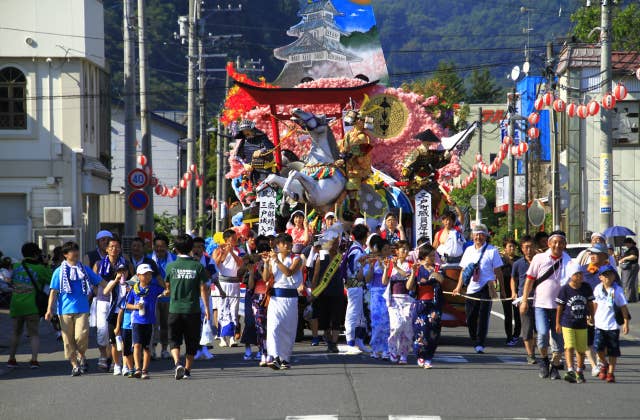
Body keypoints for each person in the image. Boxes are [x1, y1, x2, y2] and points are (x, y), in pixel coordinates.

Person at [45, 241, 110, 376]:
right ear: (65, 255)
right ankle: (75, 365)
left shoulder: (84, 269)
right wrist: (49, 309)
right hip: (64, 310)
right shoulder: (59, 271)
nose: (75, 253)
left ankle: (81, 355)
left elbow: (100, 281)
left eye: (76, 250)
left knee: (81, 336)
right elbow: (53, 291)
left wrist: (115, 288)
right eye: (71, 251)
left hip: (82, 308)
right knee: (68, 340)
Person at [520, 231, 572, 380]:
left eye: (561, 242)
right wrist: (524, 300)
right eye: (554, 242)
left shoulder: (569, 261)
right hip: (541, 305)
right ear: (549, 244)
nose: (557, 245)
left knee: (558, 340)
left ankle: (554, 367)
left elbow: (574, 282)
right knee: (542, 334)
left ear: (565, 245)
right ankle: (543, 361)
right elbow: (529, 280)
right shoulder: (539, 258)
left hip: (560, 307)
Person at [165, 234, 211, 380]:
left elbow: (168, 287)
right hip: (193, 309)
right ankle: (187, 370)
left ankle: (177, 363)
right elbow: (204, 288)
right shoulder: (198, 266)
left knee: (174, 339)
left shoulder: (171, 266)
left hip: (175, 308)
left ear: (176, 249)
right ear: (191, 248)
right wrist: (207, 309)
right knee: (192, 341)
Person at [453, 224, 502, 354]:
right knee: (470, 318)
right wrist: (458, 287)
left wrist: (502, 289)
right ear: (472, 236)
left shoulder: (492, 251)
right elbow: (463, 270)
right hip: (471, 289)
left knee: (483, 316)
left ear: (486, 236)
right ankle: (474, 337)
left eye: (481, 234)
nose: (478, 237)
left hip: (487, 287)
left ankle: (480, 342)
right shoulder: (468, 250)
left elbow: (498, 271)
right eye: (476, 234)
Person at [7, 243, 52, 368]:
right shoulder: (40, 269)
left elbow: (9, 280)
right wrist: (46, 264)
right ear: (36, 254)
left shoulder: (16, 266)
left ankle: (11, 359)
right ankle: (34, 360)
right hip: (32, 306)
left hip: (16, 304)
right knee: (33, 333)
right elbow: (52, 280)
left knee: (16, 333)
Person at [93, 238, 133, 374]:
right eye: (111, 247)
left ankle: (118, 361)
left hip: (121, 303)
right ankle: (104, 355)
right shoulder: (99, 264)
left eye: (117, 247)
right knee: (102, 332)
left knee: (122, 335)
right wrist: (113, 283)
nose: (114, 249)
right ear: (106, 249)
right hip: (104, 300)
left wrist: (125, 286)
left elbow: (133, 279)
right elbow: (96, 283)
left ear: (120, 249)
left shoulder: (125, 263)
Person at [263, 234, 303, 370]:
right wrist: (267, 263)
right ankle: (274, 357)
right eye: (283, 243)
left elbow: (289, 272)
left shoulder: (296, 258)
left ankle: (285, 358)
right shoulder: (274, 258)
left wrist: (276, 261)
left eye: (288, 243)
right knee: (273, 327)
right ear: (278, 245)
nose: (286, 245)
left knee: (288, 330)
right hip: (275, 298)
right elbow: (265, 277)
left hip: (290, 299)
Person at [126, 264, 168, 379]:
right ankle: (138, 368)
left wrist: (166, 292)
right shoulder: (134, 289)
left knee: (147, 347)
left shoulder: (154, 288)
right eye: (145, 274)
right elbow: (127, 304)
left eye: (149, 274)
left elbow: (164, 291)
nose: (147, 276)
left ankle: (145, 370)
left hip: (149, 321)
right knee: (137, 345)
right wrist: (136, 307)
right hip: (136, 321)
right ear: (138, 276)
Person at [555, 262, 595, 383]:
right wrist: (558, 323)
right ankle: (570, 370)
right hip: (568, 323)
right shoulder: (565, 289)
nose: (580, 276)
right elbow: (560, 307)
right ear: (571, 275)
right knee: (569, 346)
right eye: (577, 274)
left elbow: (590, 303)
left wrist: (592, 316)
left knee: (581, 349)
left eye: (581, 274)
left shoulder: (586, 287)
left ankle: (579, 371)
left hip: (582, 323)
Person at [580, 242, 613, 376]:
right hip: (585, 309)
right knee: (587, 339)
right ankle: (594, 365)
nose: (592, 256)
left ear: (604, 255)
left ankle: (601, 360)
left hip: (603, 311)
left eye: (596, 253)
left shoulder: (610, 271)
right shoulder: (583, 270)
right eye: (591, 253)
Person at [593, 264, 631, 383]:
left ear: (614, 276)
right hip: (599, 324)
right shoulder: (598, 289)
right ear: (600, 277)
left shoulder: (617, 290)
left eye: (610, 274)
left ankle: (610, 373)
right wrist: (591, 317)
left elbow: (623, 307)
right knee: (598, 348)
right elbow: (595, 304)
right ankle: (604, 364)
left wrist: (626, 323)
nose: (608, 277)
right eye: (605, 275)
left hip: (613, 325)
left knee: (613, 350)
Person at [311, 231, 346, 354]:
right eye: (332, 242)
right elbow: (315, 276)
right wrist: (313, 292)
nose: (334, 245)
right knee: (325, 320)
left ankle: (334, 343)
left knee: (336, 318)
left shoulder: (342, 257)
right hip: (323, 292)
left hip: (337, 291)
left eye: (336, 242)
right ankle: (329, 340)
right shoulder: (321, 257)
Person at [411, 245, 444, 369]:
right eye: (430, 255)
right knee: (420, 331)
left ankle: (429, 357)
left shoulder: (437, 268)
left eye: (433, 255)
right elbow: (410, 286)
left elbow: (441, 280)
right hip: (421, 303)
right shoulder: (417, 268)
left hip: (434, 304)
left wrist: (435, 275)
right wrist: (413, 273)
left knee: (433, 332)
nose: (432, 257)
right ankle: (420, 355)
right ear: (424, 256)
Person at [382, 240, 415, 364]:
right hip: (394, 299)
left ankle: (404, 354)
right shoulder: (390, 264)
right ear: (397, 251)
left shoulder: (410, 265)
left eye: (407, 249)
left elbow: (408, 279)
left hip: (406, 299)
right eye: (403, 249)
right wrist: (386, 269)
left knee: (407, 326)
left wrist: (396, 267)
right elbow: (384, 282)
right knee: (396, 325)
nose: (405, 252)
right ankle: (392, 350)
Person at [213, 229, 245, 347]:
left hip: (235, 283)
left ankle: (231, 337)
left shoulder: (240, 250)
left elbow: (241, 264)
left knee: (233, 310)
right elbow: (215, 264)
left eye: (235, 238)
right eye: (233, 238)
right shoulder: (218, 250)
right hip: (222, 283)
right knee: (222, 309)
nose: (235, 240)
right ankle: (222, 337)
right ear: (227, 239)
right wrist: (224, 252)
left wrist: (231, 252)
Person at [338, 109, 374, 212]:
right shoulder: (349, 133)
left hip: (357, 167)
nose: (360, 122)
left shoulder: (363, 137)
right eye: (359, 119)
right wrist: (341, 155)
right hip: (346, 163)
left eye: (363, 120)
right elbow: (344, 147)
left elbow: (358, 152)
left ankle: (352, 204)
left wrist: (346, 157)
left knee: (352, 182)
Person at [362, 236, 391, 360]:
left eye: (388, 249)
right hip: (375, 293)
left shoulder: (390, 261)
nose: (387, 252)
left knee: (387, 322)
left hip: (388, 293)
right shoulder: (372, 261)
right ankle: (375, 348)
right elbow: (367, 279)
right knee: (376, 322)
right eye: (385, 249)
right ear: (379, 250)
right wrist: (372, 267)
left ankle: (386, 349)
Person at [243, 236, 271, 365]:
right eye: (262, 248)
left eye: (267, 249)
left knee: (268, 326)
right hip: (255, 296)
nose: (264, 252)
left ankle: (265, 350)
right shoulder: (252, 261)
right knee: (253, 324)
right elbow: (249, 285)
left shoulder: (272, 262)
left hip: (270, 296)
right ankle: (252, 348)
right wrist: (253, 269)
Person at [400, 128, 451, 197]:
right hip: (412, 185)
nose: (431, 143)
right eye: (429, 141)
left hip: (425, 186)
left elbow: (437, 165)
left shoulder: (430, 154)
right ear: (424, 141)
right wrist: (414, 180)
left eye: (431, 141)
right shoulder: (415, 153)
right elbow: (405, 170)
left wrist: (446, 157)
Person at [511, 235, 537, 364]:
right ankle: (530, 354)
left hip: (540, 299)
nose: (529, 249)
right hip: (523, 299)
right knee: (527, 328)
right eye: (526, 247)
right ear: (521, 248)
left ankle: (537, 349)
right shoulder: (518, 264)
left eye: (531, 246)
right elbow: (513, 279)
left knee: (540, 330)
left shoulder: (541, 261)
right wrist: (513, 292)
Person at [343, 224, 369, 352]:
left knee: (360, 315)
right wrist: (363, 266)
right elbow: (355, 270)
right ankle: (350, 342)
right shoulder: (357, 250)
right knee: (353, 313)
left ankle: (359, 341)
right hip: (354, 284)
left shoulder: (355, 248)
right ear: (364, 236)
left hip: (356, 285)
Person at [149, 233, 175, 360]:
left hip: (169, 298)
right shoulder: (148, 259)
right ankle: (152, 349)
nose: (159, 249)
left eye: (162, 246)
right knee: (153, 324)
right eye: (157, 246)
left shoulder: (174, 259)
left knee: (167, 324)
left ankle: (165, 349)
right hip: (152, 297)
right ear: (153, 246)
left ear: (167, 247)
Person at [501, 239, 521, 346]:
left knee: (517, 314)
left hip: (517, 290)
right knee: (507, 314)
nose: (512, 249)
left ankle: (516, 335)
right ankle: (508, 336)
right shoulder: (501, 260)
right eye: (510, 246)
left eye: (513, 246)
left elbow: (517, 270)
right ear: (505, 248)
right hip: (505, 290)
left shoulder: (519, 260)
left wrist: (509, 260)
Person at [114, 280, 134, 377]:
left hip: (138, 325)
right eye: (128, 286)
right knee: (126, 348)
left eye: (131, 286)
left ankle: (135, 366)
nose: (128, 288)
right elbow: (120, 312)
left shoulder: (140, 297)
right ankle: (127, 367)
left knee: (136, 347)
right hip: (126, 326)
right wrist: (118, 326)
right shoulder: (125, 298)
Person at [619, 237, 639, 303]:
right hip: (628, 267)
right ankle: (631, 298)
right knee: (629, 283)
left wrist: (624, 259)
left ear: (630, 243)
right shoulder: (630, 249)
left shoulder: (633, 249)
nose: (626, 245)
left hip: (631, 267)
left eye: (626, 244)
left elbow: (634, 256)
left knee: (628, 283)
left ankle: (629, 298)